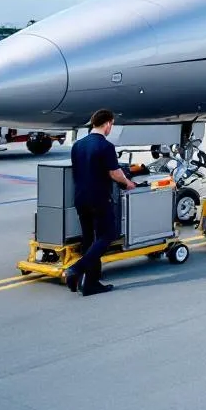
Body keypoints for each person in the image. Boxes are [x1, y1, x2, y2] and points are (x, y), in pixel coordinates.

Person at [63, 109, 138, 296]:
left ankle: (90, 284)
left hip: (80, 198)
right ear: (108, 123)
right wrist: (127, 183)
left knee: (89, 240)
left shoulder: (78, 145)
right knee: (108, 235)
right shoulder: (105, 146)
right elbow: (114, 173)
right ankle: (76, 270)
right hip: (98, 197)